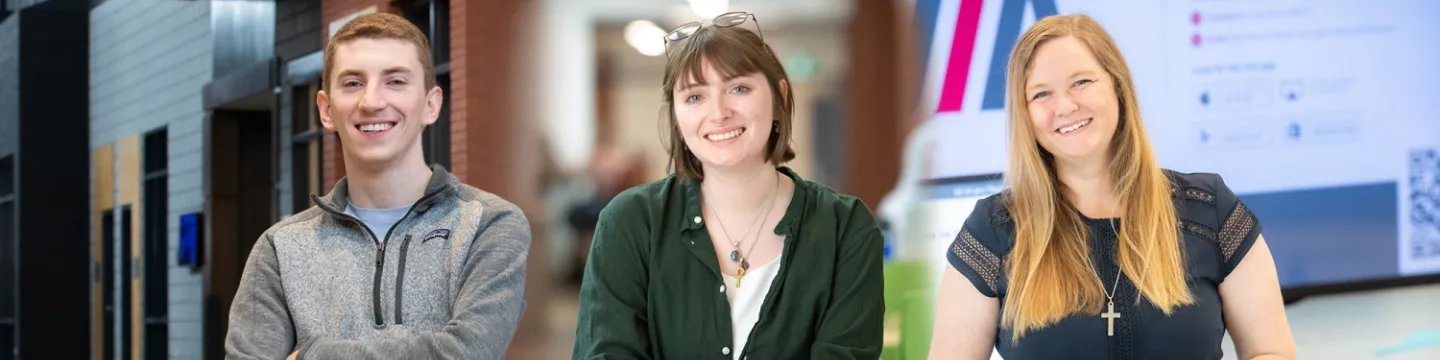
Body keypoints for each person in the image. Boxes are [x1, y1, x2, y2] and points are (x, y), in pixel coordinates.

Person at [928, 14, 1296, 360]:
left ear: (1118, 86)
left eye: (1081, 82)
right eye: (1041, 94)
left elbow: (1272, 351)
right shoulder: (991, 231)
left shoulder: (1212, 210)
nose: (1065, 105)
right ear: (1025, 114)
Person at [571, 11, 885, 359]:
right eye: (694, 97)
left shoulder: (846, 229)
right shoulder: (630, 223)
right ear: (676, 115)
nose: (718, 112)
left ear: (779, 95)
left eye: (739, 88)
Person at [224, 13, 531, 360]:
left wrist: (313, 355)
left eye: (396, 81)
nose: (371, 102)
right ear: (326, 110)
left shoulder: (489, 226)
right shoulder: (280, 249)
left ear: (431, 105)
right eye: (353, 83)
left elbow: (468, 353)